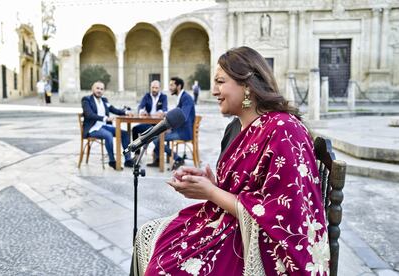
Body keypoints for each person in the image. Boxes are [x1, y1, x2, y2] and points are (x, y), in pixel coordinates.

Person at [133, 47, 329, 275]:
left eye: (220, 82)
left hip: (258, 245)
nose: (214, 91)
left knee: (164, 269)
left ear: (247, 85)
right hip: (231, 226)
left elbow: (283, 214)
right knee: (149, 234)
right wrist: (211, 184)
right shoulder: (240, 127)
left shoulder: (284, 130)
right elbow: (249, 189)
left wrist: (211, 192)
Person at [81, 80, 134, 169]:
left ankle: (128, 160)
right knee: (108, 135)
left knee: (125, 134)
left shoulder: (104, 100)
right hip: (92, 128)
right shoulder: (86, 100)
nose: (99, 90)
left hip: (104, 126)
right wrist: (105, 118)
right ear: (92, 89)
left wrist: (126, 112)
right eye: (97, 88)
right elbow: (89, 114)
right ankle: (112, 161)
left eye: (101, 89)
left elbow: (114, 109)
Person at [146, 77, 195, 171]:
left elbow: (183, 116)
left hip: (184, 132)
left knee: (156, 139)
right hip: (180, 130)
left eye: (172, 85)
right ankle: (157, 159)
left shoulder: (186, 98)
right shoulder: (182, 97)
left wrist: (170, 127)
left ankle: (178, 159)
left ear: (179, 86)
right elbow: (178, 114)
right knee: (157, 134)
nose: (170, 88)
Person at [132, 80, 168, 156]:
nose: (154, 89)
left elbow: (165, 109)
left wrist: (161, 112)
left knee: (157, 136)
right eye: (153, 87)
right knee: (135, 129)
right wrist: (142, 111)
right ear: (150, 88)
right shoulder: (147, 96)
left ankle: (157, 156)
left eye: (156, 88)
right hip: (148, 124)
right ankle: (137, 154)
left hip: (159, 125)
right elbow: (141, 106)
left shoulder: (163, 97)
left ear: (160, 88)